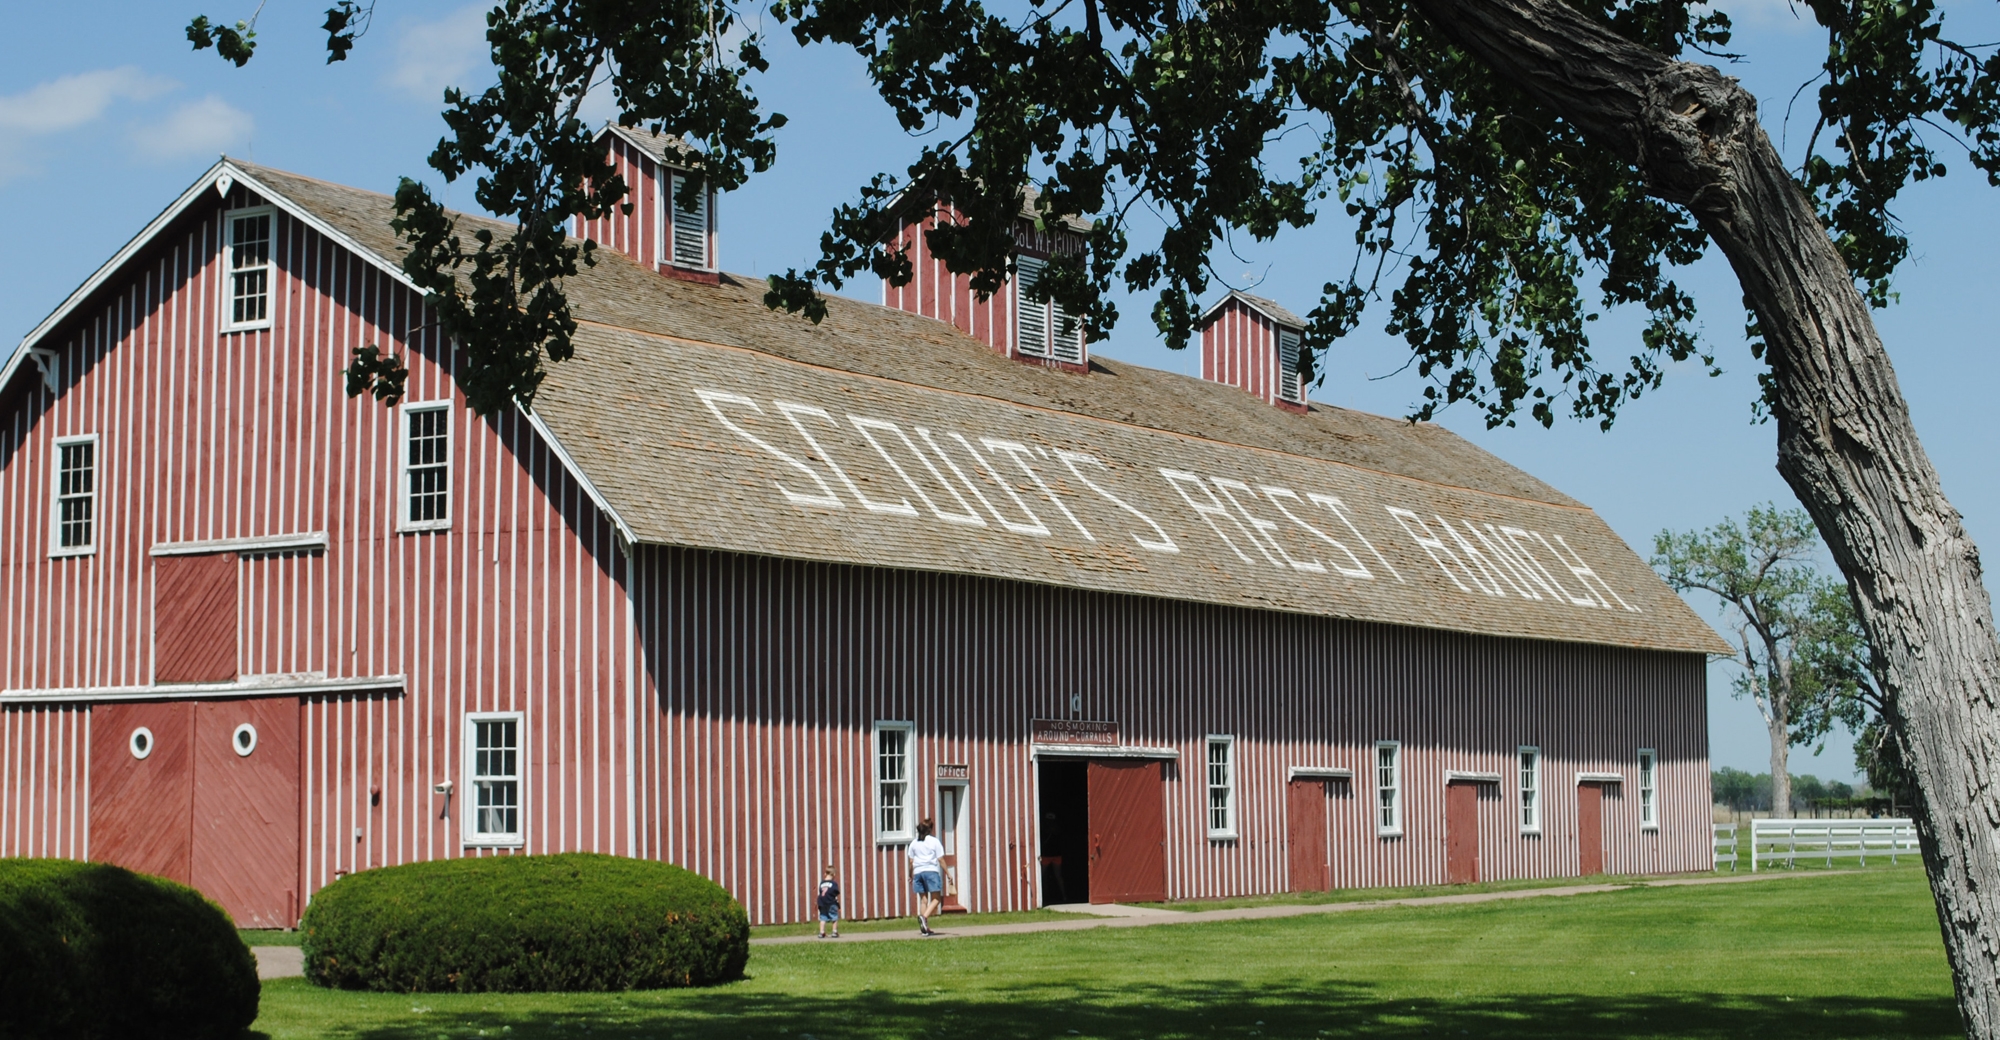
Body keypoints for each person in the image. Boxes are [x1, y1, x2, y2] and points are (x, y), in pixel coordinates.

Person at [908, 818, 945, 935]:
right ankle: (924, 917)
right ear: (930, 829)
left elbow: (911, 862)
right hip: (930, 871)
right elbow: (940, 859)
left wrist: (910, 875)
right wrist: (948, 874)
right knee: (937, 898)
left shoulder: (914, 843)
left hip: (918, 872)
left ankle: (924, 928)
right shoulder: (934, 841)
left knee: (924, 900)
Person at [816, 865, 841, 939]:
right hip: (831, 902)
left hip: (822, 902)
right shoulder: (834, 884)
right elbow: (836, 893)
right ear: (834, 875)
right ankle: (834, 932)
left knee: (823, 917)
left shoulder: (821, 883)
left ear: (825, 874)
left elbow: (821, 891)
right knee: (834, 917)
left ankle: (821, 932)